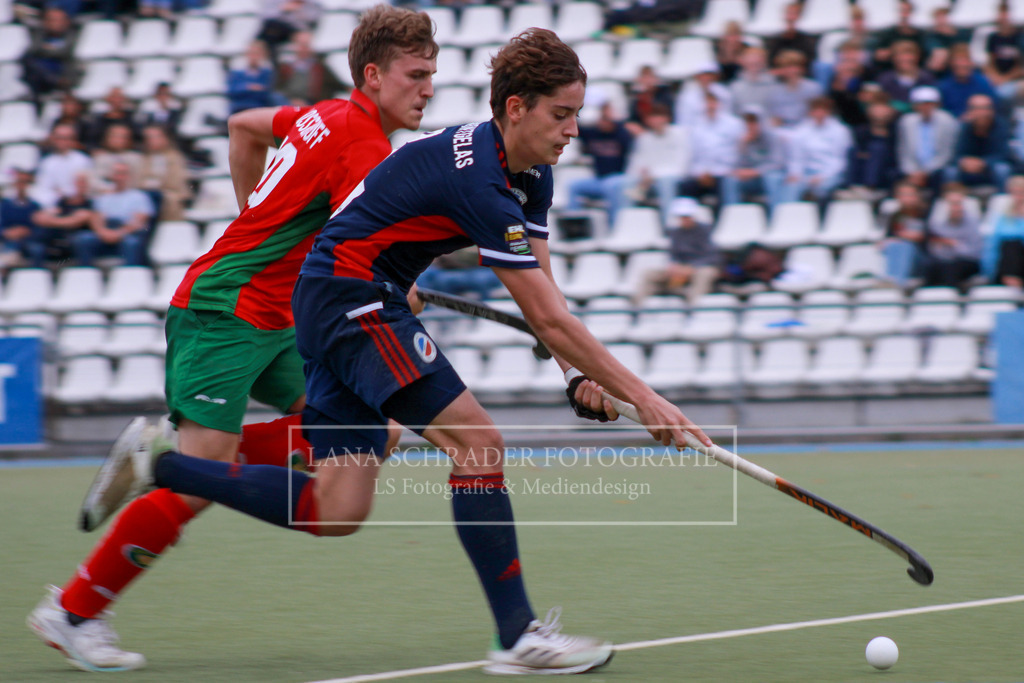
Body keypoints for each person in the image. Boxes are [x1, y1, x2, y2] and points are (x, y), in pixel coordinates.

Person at [84, 28, 711, 676]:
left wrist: (577, 372)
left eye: (577, 113)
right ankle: (517, 635)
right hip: (352, 297)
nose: (572, 129)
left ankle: (164, 464)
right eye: (561, 114)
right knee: (479, 443)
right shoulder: (481, 180)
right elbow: (549, 317)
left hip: (328, 296)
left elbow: (544, 299)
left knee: (339, 508)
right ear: (517, 107)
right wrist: (648, 398)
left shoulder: (531, 177)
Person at [27, 5, 439, 673]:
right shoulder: (363, 144)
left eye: (432, 74)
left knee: (372, 434)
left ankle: (158, 448)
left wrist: (260, 217)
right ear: (374, 74)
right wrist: (396, 283)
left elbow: (244, 128)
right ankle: (73, 610)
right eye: (416, 74)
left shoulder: (320, 114)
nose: (427, 88)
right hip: (224, 309)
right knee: (196, 480)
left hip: (281, 318)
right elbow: (364, 253)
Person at [634, 197, 720, 303]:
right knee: (648, 274)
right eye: (681, 216)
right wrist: (674, 266)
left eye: (687, 216)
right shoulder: (675, 233)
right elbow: (673, 255)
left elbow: (712, 257)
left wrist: (691, 268)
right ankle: (637, 307)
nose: (684, 219)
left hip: (700, 268)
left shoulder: (705, 231)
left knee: (705, 274)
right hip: (681, 268)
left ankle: (693, 307)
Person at [566, 89, 633, 224]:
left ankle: (614, 227)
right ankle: (575, 225)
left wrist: (616, 120)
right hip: (599, 180)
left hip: (620, 179)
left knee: (611, 186)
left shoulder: (621, 134)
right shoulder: (593, 133)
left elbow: (629, 138)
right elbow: (575, 126)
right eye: (602, 119)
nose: (604, 122)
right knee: (573, 186)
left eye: (607, 119)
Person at [73, 162, 155, 266]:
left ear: (129, 176)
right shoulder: (103, 197)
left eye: (123, 173)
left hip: (126, 234)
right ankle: (87, 275)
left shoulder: (139, 196)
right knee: (83, 239)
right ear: (112, 176)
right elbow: (97, 218)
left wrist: (119, 233)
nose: (120, 177)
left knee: (132, 243)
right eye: (117, 173)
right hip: (105, 233)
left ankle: (130, 276)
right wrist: (103, 232)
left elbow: (139, 221)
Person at [621, 102, 690, 225]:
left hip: (673, 179)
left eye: (659, 116)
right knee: (625, 184)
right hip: (648, 181)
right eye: (653, 117)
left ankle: (669, 226)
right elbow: (636, 164)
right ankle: (624, 225)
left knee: (665, 183)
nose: (656, 120)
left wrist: (653, 176)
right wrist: (642, 175)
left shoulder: (680, 134)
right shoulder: (644, 138)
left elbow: (681, 165)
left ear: (667, 118)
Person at [780, 97, 852, 206]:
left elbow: (840, 159)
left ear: (828, 112)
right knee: (790, 186)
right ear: (810, 112)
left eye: (822, 110)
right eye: (816, 110)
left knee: (823, 188)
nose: (819, 113)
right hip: (806, 173)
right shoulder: (801, 130)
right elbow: (797, 157)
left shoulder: (840, 131)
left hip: (830, 173)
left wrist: (823, 176)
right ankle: (787, 218)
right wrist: (795, 173)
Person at [678, 89, 743, 207]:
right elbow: (693, 155)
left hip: (725, 171)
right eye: (707, 102)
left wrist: (715, 171)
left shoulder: (733, 124)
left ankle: (726, 220)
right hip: (702, 173)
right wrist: (701, 172)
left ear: (720, 104)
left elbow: (736, 153)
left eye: (713, 102)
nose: (710, 106)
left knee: (727, 184)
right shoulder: (697, 126)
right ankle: (688, 222)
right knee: (686, 187)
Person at [897, 86, 960, 194]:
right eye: (921, 104)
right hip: (913, 169)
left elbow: (946, 153)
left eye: (929, 103)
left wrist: (925, 172)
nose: (925, 107)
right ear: (915, 106)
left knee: (945, 175)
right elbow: (903, 151)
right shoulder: (906, 122)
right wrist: (912, 171)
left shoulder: (947, 121)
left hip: (938, 168)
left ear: (936, 104)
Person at [720, 106, 785, 210]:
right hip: (751, 180)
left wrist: (756, 171)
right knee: (730, 180)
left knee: (772, 178)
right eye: (748, 122)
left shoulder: (773, 137)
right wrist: (742, 146)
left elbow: (777, 163)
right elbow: (735, 165)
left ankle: (776, 217)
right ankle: (733, 216)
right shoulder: (742, 139)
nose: (751, 125)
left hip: (766, 177)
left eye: (754, 122)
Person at [922, 183, 983, 287]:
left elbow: (975, 252)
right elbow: (934, 251)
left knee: (951, 268)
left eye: (958, 203)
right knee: (930, 267)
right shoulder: (937, 225)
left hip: (967, 261)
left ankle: (951, 297)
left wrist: (954, 244)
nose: (955, 208)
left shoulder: (973, 223)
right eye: (951, 204)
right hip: (943, 261)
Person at [30, 169, 95, 266]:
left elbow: (75, 221)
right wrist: (65, 220)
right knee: (36, 244)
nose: (80, 184)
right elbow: (38, 217)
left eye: (83, 182)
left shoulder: (89, 203)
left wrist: (53, 221)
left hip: (73, 240)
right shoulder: (62, 202)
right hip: (56, 237)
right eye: (78, 181)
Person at [947, 93, 1011, 190]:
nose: (981, 112)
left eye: (985, 108)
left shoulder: (1001, 126)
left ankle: (1001, 201)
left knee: (1002, 169)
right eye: (976, 108)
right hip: (967, 169)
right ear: (969, 111)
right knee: (950, 172)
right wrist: (963, 161)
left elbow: (1004, 154)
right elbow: (955, 154)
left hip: (990, 168)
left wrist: (984, 163)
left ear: (992, 110)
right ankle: (953, 201)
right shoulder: (963, 127)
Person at [19, 6, 78, 109]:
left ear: (66, 22)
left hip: (63, 75)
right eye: (51, 20)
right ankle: (52, 82)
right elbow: (32, 50)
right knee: (28, 60)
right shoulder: (38, 34)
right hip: (41, 79)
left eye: (59, 20)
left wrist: (45, 50)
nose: (55, 23)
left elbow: (66, 52)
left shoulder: (73, 36)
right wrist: (53, 51)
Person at [274, 30, 343, 106]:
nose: (303, 48)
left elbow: (336, 85)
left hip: (310, 102)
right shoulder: (285, 66)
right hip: (286, 99)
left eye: (306, 45)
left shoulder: (320, 67)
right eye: (300, 45)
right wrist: (292, 100)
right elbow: (277, 87)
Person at [34, 123, 94, 209]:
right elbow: (43, 187)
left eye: (66, 138)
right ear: (53, 139)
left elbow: (84, 188)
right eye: (59, 138)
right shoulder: (47, 162)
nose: (62, 141)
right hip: (53, 204)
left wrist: (63, 192)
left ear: (73, 140)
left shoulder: (83, 160)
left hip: (77, 204)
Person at [138, 125, 191, 221]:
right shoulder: (142, 158)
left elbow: (176, 182)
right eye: (149, 138)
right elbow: (137, 181)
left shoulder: (175, 157)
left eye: (156, 137)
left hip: (168, 195)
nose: (152, 140)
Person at [846, 99, 898, 196]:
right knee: (854, 152)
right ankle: (853, 185)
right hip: (866, 161)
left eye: (883, 110)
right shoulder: (861, 130)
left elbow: (896, 150)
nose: (880, 114)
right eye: (876, 110)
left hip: (889, 163)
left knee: (878, 148)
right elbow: (860, 149)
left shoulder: (895, 130)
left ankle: (870, 185)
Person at [879, 180, 927, 286]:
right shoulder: (894, 216)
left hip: (923, 260)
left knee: (906, 246)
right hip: (900, 253)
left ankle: (896, 282)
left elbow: (929, 238)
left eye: (910, 195)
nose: (907, 199)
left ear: (918, 196)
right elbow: (888, 237)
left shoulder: (926, 214)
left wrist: (916, 237)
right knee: (896, 245)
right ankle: (891, 279)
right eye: (903, 195)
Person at [982, 174, 1024, 287]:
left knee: (1014, 245)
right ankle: (1010, 280)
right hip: (1006, 265)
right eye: (1015, 193)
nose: (1018, 197)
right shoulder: (1002, 216)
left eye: (1021, 192)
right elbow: (993, 244)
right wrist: (988, 270)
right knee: (1009, 246)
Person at [766, 50, 823, 130]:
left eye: (795, 66)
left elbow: (817, 112)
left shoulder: (813, 87)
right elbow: (772, 115)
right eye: (787, 67)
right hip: (781, 128)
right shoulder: (773, 89)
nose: (792, 70)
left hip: (807, 128)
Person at [939, 45, 999, 119]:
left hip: (980, 120)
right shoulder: (944, 86)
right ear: (952, 64)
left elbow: (994, 104)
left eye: (965, 62)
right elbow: (942, 111)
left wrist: (975, 114)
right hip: (954, 122)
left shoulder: (982, 82)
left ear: (971, 63)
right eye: (959, 64)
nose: (962, 64)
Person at [877, 40, 936, 113]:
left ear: (917, 57)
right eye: (900, 55)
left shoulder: (927, 78)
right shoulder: (885, 79)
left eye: (909, 54)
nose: (904, 58)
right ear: (893, 58)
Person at [0, 168, 43, 268]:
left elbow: (39, 227)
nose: (21, 186)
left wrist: (26, 232)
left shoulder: (34, 206)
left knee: (37, 249)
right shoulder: (4, 205)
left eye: (24, 183)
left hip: (27, 241)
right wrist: (6, 233)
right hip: (7, 240)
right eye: (19, 182)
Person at [227, 40, 281, 115]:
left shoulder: (266, 72)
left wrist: (246, 89)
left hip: (259, 107)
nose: (253, 57)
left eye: (257, 54)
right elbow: (232, 91)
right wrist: (248, 87)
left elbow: (265, 92)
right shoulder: (238, 72)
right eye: (251, 53)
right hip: (239, 106)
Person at [91, 123, 144, 189]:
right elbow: (94, 181)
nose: (118, 140)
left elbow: (139, 181)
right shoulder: (100, 158)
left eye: (123, 137)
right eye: (114, 136)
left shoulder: (137, 158)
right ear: (106, 138)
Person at [766, 2, 817, 68]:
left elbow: (810, 58)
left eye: (794, 13)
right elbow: (771, 60)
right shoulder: (774, 39)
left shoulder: (808, 39)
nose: (791, 17)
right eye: (789, 13)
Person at [729, 46, 775, 118]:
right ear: (743, 62)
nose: (754, 66)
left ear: (764, 62)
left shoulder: (774, 84)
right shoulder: (735, 86)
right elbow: (732, 111)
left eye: (757, 63)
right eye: (751, 63)